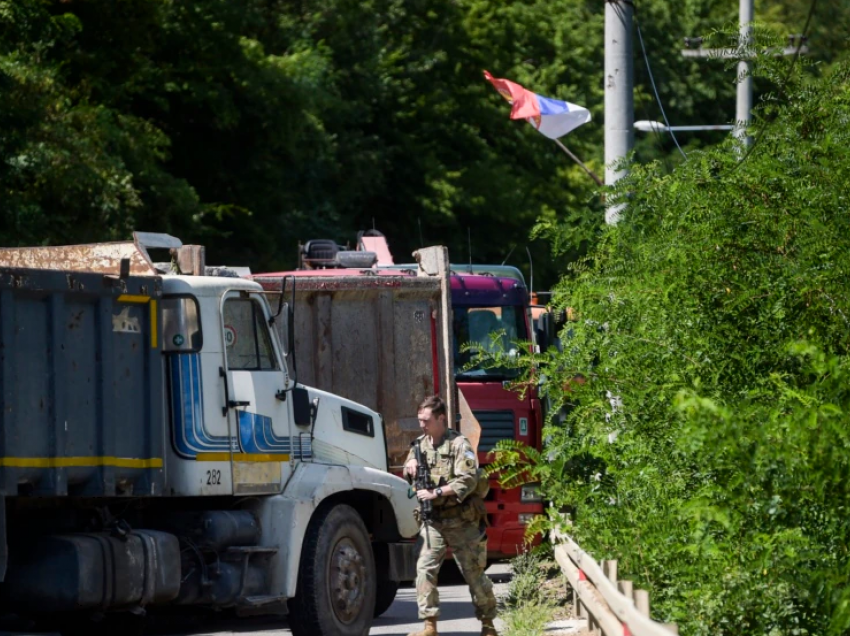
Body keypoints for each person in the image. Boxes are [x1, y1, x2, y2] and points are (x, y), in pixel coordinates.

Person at [403, 395, 498, 636]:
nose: (422, 425)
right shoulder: (418, 445)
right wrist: (410, 465)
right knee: (425, 569)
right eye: (419, 420)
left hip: (461, 519)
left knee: (473, 573)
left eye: (426, 420)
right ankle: (429, 625)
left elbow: (467, 480)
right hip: (433, 520)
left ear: (441, 418)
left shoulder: (459, 444)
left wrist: (435, 492)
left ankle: (488, 625)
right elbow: (407, 471)